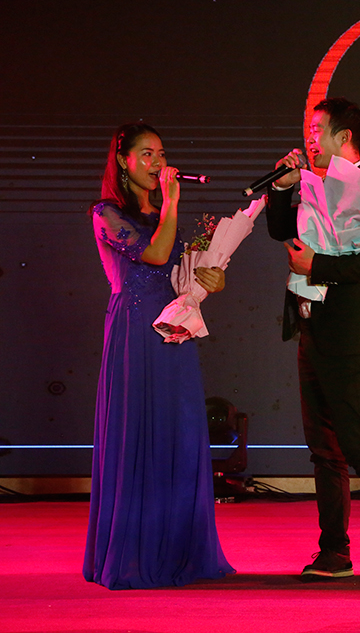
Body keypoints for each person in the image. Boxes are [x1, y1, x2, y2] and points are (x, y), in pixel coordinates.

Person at [265, 97, 360, 586]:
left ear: (344, 137)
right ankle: (334, 550)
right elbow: (279, 230)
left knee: (359, 444)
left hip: (351, 336)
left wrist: (318, 266)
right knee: (323, 449)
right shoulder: (312, 185)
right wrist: (281, 189)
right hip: (311, 328)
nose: (310, 138)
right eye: (308, 130)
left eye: (318, 130)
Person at [85, 123, 234, 589]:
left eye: (162, 154)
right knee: (138, 433)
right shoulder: (107, 213)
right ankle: (134, 554)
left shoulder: (166, 215)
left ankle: (181, 553)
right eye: (147, 154)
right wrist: (170, 204)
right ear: (123, 160)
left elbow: (179, 272)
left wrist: (211, 281)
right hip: (134, 334)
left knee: (180, 434)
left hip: (174, 332)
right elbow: (154, 255)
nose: (157, 163)